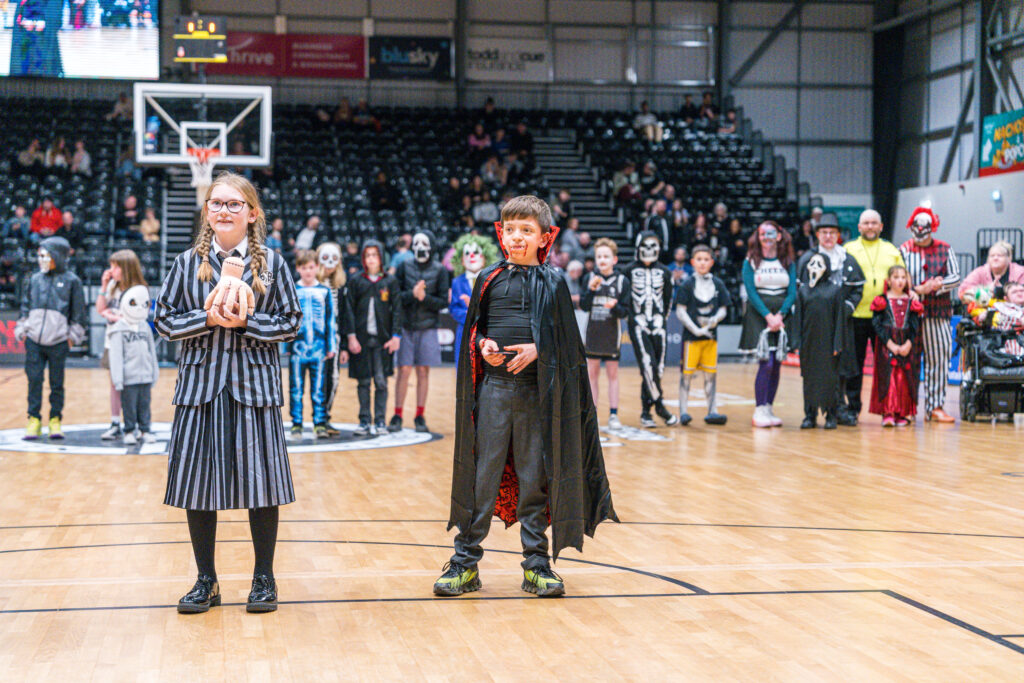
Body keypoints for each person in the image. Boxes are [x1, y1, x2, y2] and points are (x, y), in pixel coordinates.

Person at [435, 195, 617, 597]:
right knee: (481, 480)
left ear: (544, 237)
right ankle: (465, 563)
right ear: (500, 233)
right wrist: (482, 344)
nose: (517, 237)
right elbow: (474, 334)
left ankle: (537, 564)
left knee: (536, 481)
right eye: (510, 229)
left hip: (538, 398)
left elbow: (570, 351)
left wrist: (540, 349)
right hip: (494, 395)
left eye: (526, 231)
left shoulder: (554, 283)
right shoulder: (488, 279)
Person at [155, 171, 301, 614]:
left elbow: (291, 322)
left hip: (254, 389)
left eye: (234, 204)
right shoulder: (185, 264)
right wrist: (208, 319)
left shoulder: (273, 265)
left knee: (263, 485)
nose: (224, 210)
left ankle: (264, 578)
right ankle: (207, 581)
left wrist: (246, 323)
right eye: (217, 203)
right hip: (200, 389)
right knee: (198, 487)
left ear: (252, 214)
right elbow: (164, 321)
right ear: (206, 211)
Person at [796, 212, 865, 426]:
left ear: (838, 235)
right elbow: (801, 293)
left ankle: (839, 409)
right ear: (817, 234)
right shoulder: (808, 260)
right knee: (813, 371)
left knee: (840, 369)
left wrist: (843, 310)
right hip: (815, 327)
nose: (828, 236)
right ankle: (812, 411)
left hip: (841, 325)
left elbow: (857, 290)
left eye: (832, 233)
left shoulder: (848, 259)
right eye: (824, 232)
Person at [15, 236, 87, 440]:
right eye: (40, 256)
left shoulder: (73, 281)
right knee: (34, 380)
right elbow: (25, 306)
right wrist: (23, 328)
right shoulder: (34, 279)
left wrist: (71, 338)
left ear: (57, 256)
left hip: (58, 342)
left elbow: (79, 315)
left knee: (57, 383)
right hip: (34, 341)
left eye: (45, 256)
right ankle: (34, 419)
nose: (41, 260)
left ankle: (55, 419)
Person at [841, 209, 905, 422]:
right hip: (856, 315)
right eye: (866, 223)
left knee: (886, 364)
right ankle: (852, 409)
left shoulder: (891, 250)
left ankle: (889, 408)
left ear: (881, 226)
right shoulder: (848, 249)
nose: (870, 226)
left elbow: (902, 281)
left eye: (873, 223)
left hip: (884, 316)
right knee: (854, 366)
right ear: (859, 227)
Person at [898, 205, 960, 423]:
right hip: (910, 314)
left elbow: (956, 277)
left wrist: (937, 285)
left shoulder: (945, 248)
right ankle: (907, 406)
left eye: (925, 226)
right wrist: (914, 290)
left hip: (938, 313)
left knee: (939, 360)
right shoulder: (903, 250)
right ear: (911, 226)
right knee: (908, 360)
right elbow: (896, 278)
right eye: (917, 225)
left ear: (932, 227)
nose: (920, 230)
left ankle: (935, 406)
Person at [390, 230, 450, 434]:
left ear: (431, 246)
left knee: (423, 371)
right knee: (404, 370)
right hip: (406, 326)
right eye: (416, 243)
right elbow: (395, 296)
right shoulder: (403, 267)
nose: (420, 247)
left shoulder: (441, 270)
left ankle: (419, 415)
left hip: (428, 327)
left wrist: (424, 298)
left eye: (424, 243)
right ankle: (397, 414)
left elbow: (443, 301)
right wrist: (412, 295)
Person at [740, 221, 797, 428]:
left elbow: (792, 292)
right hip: (759, 317)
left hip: (781, 317)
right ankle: (759, 409)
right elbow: (751, 292)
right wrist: (768, 316)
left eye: (771, 233)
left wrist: (780, 314)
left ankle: (769, 408)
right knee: (767, 363)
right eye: (762, 234)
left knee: (777, 364)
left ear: (779, 236)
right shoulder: (751, 261)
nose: (766, 237)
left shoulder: (787, 261)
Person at [344, 240, 402, 436]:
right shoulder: (355, 281)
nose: (371, 259)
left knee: (381, 381)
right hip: (360, 340)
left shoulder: (390, 282)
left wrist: (395, 336)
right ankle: (364, 421)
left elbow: (397, 311)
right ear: (363, 258)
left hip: (383, 340)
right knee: (363, 382)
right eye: (367, 255)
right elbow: (348, 311)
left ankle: (380, 421)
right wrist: (351, 337)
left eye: (374, 255)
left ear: (381, 258)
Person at [625, 231, 678, 427]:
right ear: (638, 247)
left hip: (658, 324)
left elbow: (667, 300)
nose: (649, 250)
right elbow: (625, 297)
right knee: (648, 365)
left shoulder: (665, 272)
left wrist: (660, 320)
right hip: (638, 324)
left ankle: (646, 413)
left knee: (657, 370)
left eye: (653, 246)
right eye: (645, 246)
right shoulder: (628, 271)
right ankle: (660, 406)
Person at [674, 245, 731, 426]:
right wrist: (696, 329)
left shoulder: (718, 284)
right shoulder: (687, 285)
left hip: (710, 339)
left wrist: (715, 320)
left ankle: (712, 410)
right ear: (692, 262)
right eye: (699, 259)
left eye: (706, 259)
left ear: (712, 262)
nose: (702, 263)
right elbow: (680, 312)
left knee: (711, 375)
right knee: (687, 375)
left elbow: (724, 308)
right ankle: (683, 411)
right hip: (691, 339)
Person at [97, 249, 147, 441]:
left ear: (125, 268)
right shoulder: (112, 287)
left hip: (132, 343)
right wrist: (103, 286)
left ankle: (135, 425)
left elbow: (137, 317)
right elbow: (100, 308)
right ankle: (115, 422)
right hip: (113, 342)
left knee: (134, 385)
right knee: (115, 383)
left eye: (114, 266)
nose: (111, 270)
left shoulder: (138, 290)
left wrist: (117, 317)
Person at [287, 250, 338, 440]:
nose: (308, 272)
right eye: (304, 268)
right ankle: (297, 423)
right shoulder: (293, 290)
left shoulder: (324, 291)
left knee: (319, 388)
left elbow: (330, 320)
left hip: (319, 348)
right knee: (296, 387)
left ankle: (319, 423)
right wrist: (286, 346)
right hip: (298, 349)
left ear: (317, 267)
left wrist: (330, 346)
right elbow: (288, 319)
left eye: (311, 267)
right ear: (298, 268)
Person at [581, 238, 630, 430]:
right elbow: (584, 306)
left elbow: (625, 312)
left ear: (614, 260)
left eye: (606, 256)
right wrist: (591, 290)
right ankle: (593, 415)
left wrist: (615, 307)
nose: (602, 260)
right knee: (592, 374)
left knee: (612, 374)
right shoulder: (589, 278)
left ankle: (613, 415)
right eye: (599, 256)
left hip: (611, 334)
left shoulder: (622, 281)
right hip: (593, 333)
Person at [869, 265, 923, 427]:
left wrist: (908, 343)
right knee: (889, 377)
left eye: (903, 277)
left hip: (906, 344)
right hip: (888, 345)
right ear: (889, 280)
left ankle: (901, 412)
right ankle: (888, 412)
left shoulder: (912, 301)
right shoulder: (882, 300)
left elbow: (915, 325)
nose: (900, 281)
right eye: (896, 277)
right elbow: (876, 324)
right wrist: (890, 344)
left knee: (904, 379)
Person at [796, 252, 844, 429]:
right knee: (809, 379)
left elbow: (839, 318)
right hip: (809, 342)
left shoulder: (835, 290)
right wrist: (796, 342)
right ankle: (810, 414)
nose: (815, 267)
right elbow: (798, 318)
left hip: (828, 341)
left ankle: (831, 414)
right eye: (812, 263)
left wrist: (837, 343)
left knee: (829, 380)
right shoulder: (803, 290)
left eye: (819, 263)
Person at [106, 285, 159, 445]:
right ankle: (129, 430)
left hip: (145, 376)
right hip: (128, 378)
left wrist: (154, 373)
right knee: (129, 407)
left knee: (144, 405)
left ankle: (144, 430)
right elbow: (115, 357)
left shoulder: (145, 328)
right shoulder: (118, 329)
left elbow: (152, 352)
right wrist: (118, 379)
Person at [449, 233, 499, 368]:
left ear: (485, 257)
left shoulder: (492, 281)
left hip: (487, 332)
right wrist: (470, 314)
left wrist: (475, 308)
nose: (471, 256)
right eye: (467, 253)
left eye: (476, 252)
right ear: (461, 259)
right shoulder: (456, 282)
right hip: (464, 332)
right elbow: (454, 309)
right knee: (463, 367)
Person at [316, 242, 347, 437]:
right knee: (318, 379)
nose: (329, 264)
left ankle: (326, 416)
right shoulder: (312, 282)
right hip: (316, 339)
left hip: (334, 339)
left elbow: (345, 315)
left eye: (334, 259)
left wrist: (343, 344)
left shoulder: (341, 286)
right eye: (325, 258)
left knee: (333, 378)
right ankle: (318, 419)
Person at [958, 240, 1024, 303]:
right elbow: (962, 291)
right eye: (992, 256)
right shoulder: (979, 272)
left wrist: (1005, 291)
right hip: (984, 310)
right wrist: (986, 290)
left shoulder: (1020, 272)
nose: (995, 258)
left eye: (1000, 255)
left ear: (1009, 258)